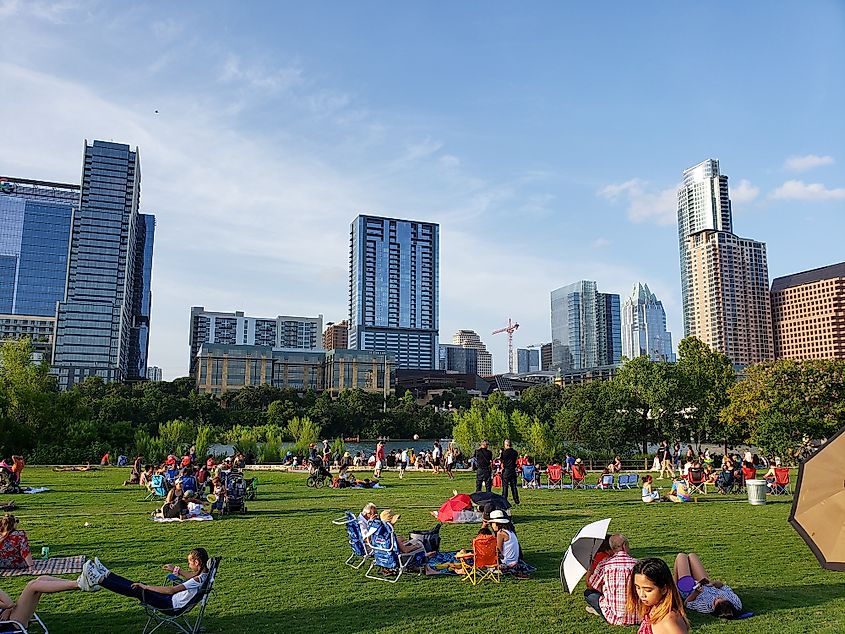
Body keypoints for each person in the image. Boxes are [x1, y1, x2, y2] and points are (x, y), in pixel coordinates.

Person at [584, 533, 639, 625]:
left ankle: (603, 611)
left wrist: (590, 569)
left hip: (615, 618)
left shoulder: (605, 564)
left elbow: (590, 585)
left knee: (588, 594)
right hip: (638, 616)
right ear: (624, 546)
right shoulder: (637, 564)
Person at [628, 558, 689, 634]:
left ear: (664, 589)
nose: (641, 594)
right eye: (637, 587)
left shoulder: (669, 620)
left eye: (648, 590)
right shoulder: (653, 609)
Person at [673, 553, 743, 619]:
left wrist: (696, 592)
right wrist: (713, 583)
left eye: (716, 600)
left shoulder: (705, 607)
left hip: (690, 590)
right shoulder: (736, 603)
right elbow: (723, 586)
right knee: (692, 556)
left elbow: (687, 603)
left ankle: (675, 589)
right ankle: (675, 587)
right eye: (721, 598)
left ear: (713, 607)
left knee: (681, 556)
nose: (717, 597)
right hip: (706, 584)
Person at [499, 439, 520, 505]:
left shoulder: (504, 453)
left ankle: (504, 499)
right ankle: (516, 499)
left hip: (506, 470)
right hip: (513, 470)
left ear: (506, 445)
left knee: (505, 486)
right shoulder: (515, 452)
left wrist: (500, 453)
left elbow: (501, 460)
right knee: (513, 486)